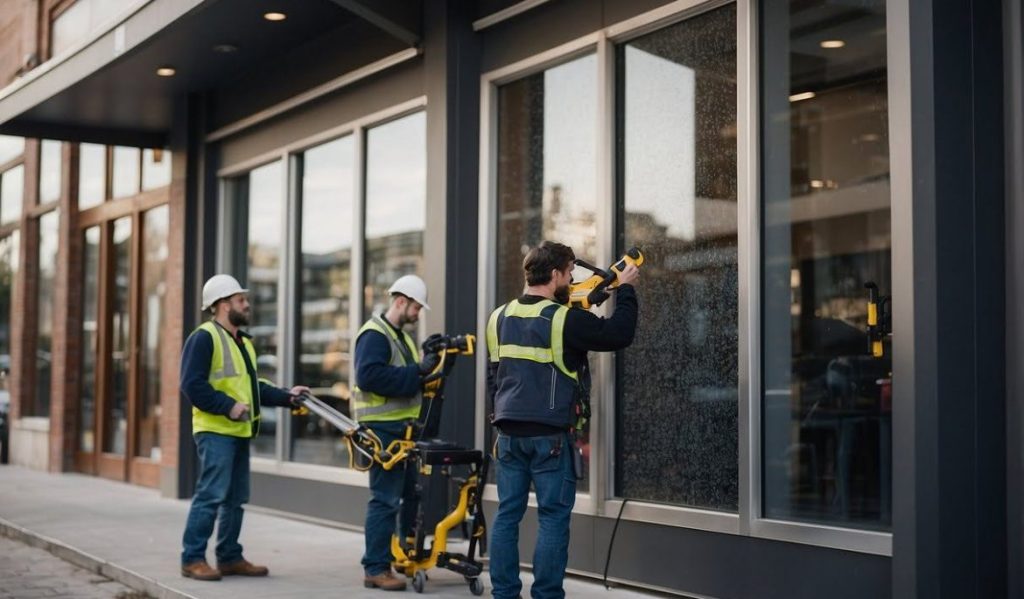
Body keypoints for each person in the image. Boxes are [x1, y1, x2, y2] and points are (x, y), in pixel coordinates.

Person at [486, 241, 639, 599]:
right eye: (570, 273)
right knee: (553, 518)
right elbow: (620, 334)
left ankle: (504, 594)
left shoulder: (498, 316)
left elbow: (494, 377)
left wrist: (500, 416)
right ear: (555, 274)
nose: (572, 280)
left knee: (507, 515)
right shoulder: (563, 319)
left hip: (507, 432)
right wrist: (627, 289)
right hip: (550, 436)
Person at [179, 274, 309, 581]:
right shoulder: (204, 337)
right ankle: (192, 558)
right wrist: (228, 406)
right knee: (211, 495)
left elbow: (254, 388)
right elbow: (191, 384)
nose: (247, 305)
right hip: (215, 431)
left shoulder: (243, 343)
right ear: (223, 305)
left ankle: (229, 557)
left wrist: (289, 397)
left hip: (239, 432)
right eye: (241, 300)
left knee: (236, 498)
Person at [353, 274, 441, 591]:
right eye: (417, 307)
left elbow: (404, 379)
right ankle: (375, 568)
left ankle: (403, 556)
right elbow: (370, 377)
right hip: (383, 433)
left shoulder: (399, 337)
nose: (418, 314)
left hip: (402, 432)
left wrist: (425, 373)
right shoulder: (375, 335)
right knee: (385, 500)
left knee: (408, 496)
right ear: (401, 302)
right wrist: (417, 370)